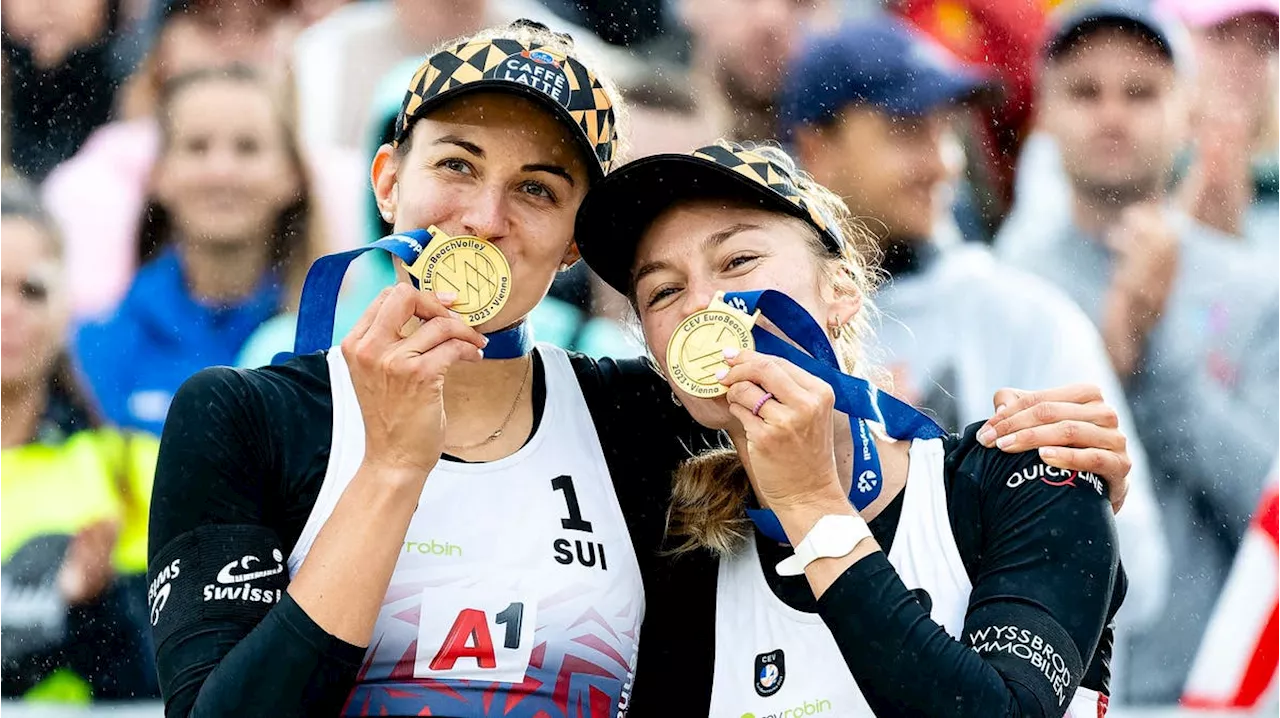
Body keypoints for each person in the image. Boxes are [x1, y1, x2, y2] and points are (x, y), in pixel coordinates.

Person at [147, 20, 1137, 718]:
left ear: (571, 247)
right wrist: (392, 471)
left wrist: (1051, 469)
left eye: (536, 188)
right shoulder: (241, 418)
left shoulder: (639, 428)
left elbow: (849, 460)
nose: (485, 219)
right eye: (454, 165)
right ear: (386, 179)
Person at [574, 139, 1125, 717]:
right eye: (664, 291)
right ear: (660, 363)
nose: (704, 306)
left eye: (737, 261)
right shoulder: (681, 553)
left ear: (842, 292)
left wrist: (811, 505)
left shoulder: (1023, 473)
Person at [780, 15, 1168, 635]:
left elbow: (1136, 576)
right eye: (907, 131)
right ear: (817, 147)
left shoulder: (1026, 318)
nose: (941, 163)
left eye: (946, 132)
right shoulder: (758, 334)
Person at [994, 3, 1280, 702]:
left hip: (1211, 689)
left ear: (1186, 110)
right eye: (1085, 92)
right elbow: (995, 502)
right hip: (1052, 685)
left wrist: (1156, 354)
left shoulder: (1253, 288)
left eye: (1141, 92)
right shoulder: (1005, 286)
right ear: (1046, 116)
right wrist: (1111, 360)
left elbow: (1263, 503)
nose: (1112, 115)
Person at [74, 64, 326, 435]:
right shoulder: (95, 346)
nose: (221, 171)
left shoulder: (334, 345)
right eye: (196, 147)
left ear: (292, 175)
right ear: (159, 175)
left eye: (247, 148)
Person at [0, 179, 159, 703]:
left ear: (66, 304)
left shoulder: (133, 472)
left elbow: (154, 688)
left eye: (31, 290)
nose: (7, 312)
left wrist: (98, 606)